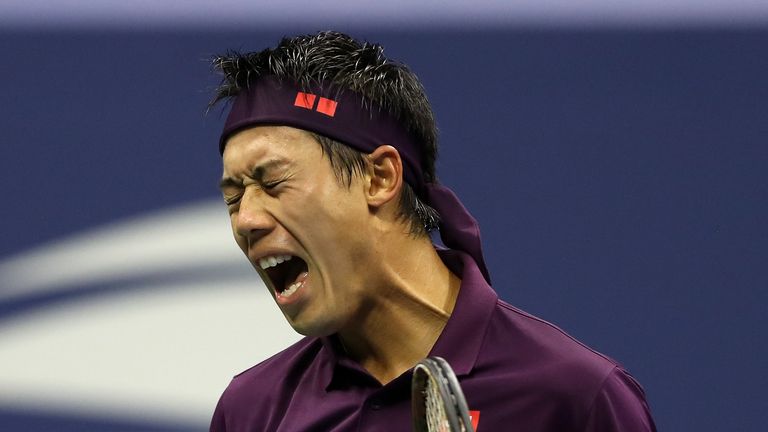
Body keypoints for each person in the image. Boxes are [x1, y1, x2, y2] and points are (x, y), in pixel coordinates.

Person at [209, 31, 656, 431]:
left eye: (273, 183)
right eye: (234, 198)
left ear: (380, 177)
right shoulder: (252, 412)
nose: (247, 220)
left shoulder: (574, 398)